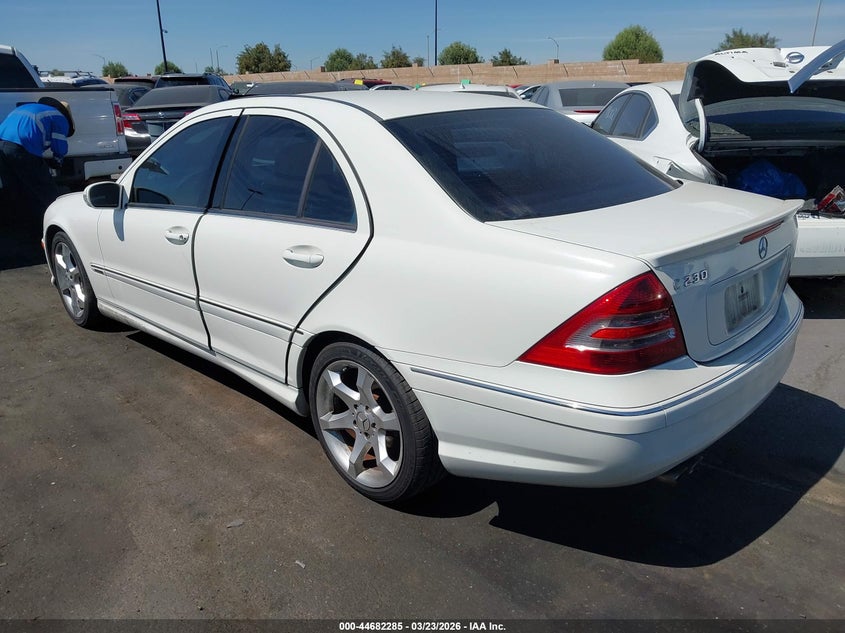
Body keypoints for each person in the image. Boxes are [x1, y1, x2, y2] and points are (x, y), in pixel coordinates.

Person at [0, 96, 75, 234]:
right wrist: (58, 161)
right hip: (22, 148)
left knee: (14, 187)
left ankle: (16, 225)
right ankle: (53, 223)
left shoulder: (28, 108)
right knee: (44, 189)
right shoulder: (59, 118)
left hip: (2, 146)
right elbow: (59, 146)